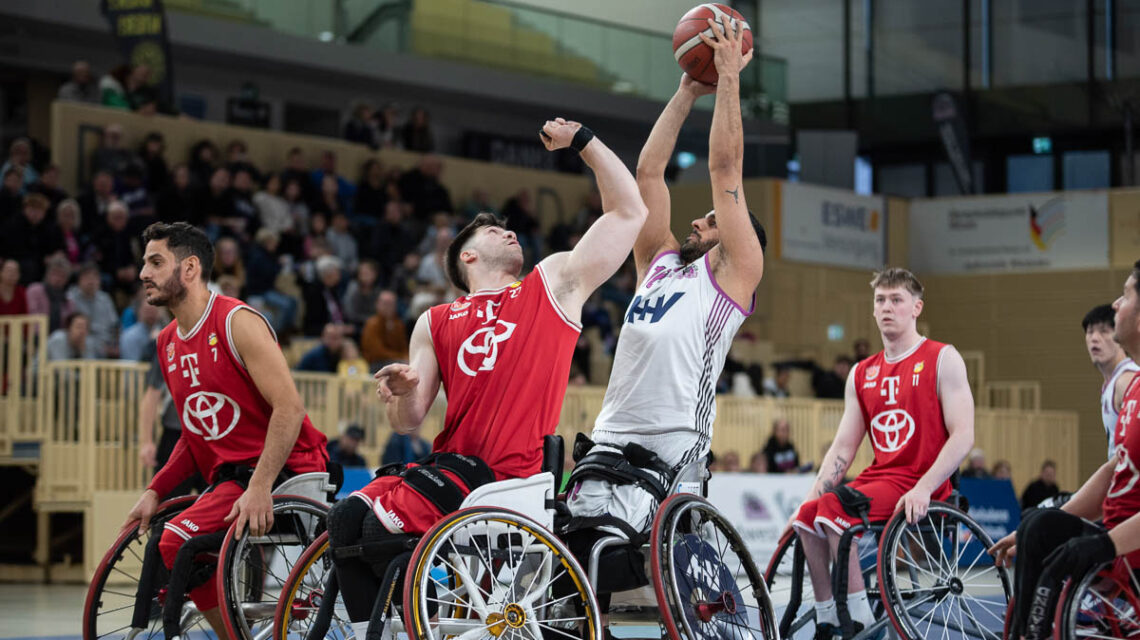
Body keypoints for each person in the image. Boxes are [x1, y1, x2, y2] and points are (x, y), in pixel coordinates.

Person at [325, 117, 647, 638]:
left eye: (508, 227)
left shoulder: (552, 285)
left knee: (372, 529)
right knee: (344, 523)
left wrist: (583, 142)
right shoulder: (435, 320)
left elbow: (630, 212)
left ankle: (406, 618)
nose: (509, 230)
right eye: (493, 229)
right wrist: (402, 394)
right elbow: (408, 422)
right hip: (451, 470)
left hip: (510, 476)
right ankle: (381, 630)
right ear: (467, 255)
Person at [559, 15, 766, 615]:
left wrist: (728, 76)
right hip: (611, 433)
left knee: (645, 578)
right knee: (580, 563)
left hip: (674, 442)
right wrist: (685, 92)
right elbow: (647, 174)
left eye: (710, 219)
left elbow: (725, 171)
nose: (699, 221)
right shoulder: (659, 263)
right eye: (699, 218)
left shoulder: (733, 272)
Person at [121, 222, 329, 639]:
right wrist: (155, 490)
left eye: (156, 262)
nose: (143, 272)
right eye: (144, 262)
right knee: (174, 536)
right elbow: (194, 435)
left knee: (175, 540)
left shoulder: (238, 322)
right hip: (232, 477)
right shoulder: (166, 343)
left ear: (190, 268)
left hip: (289, 469)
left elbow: (289, 409)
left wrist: (261, 485)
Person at [789, 267, 975, 639]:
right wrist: (808, 499)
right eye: (880, 300)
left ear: (916, 307)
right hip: (882, 478)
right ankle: (827, 617)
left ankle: (858, 620)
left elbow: (964, 435)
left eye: (896, 300)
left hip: (922, 480)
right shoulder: (861, 373)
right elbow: (843, 447)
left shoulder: (942, 357)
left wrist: (924, 488)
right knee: (809, 515)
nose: (887, 307)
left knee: (834, 508)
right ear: (873, 310)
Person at [991, 265, 1140, 640]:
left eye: (1126, 295)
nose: (1116, 303)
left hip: (1128, 544)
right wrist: (1036, 527)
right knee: (1040, 524)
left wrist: (1103, 544)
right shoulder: (1134, 387)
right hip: (1118, 538)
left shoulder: (1123, 382)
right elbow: (1115, 469)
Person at [138, 342, 205, 497]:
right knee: (166, 503)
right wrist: (146, 441)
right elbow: (151, 396)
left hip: (212, 436)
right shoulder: (170, 344)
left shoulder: (218, 338)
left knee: (218, 506)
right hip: (175, 434)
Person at [1082, 303, 1139, 458]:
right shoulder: (1110, 383)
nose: (1094, 338)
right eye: (1090, 332)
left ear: (1119, 335)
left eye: (1104, 331)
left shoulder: (1126, 381)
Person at [360, 290, 408, 368]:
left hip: (396, 360)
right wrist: (400, 357)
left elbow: (403, 346)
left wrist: (406, 357)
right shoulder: (372, 324)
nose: (388, 307)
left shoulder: (398, 324)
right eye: (385, 304)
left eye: (391, 304)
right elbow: (377, 352)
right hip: (376, 363)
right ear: (377, 304)